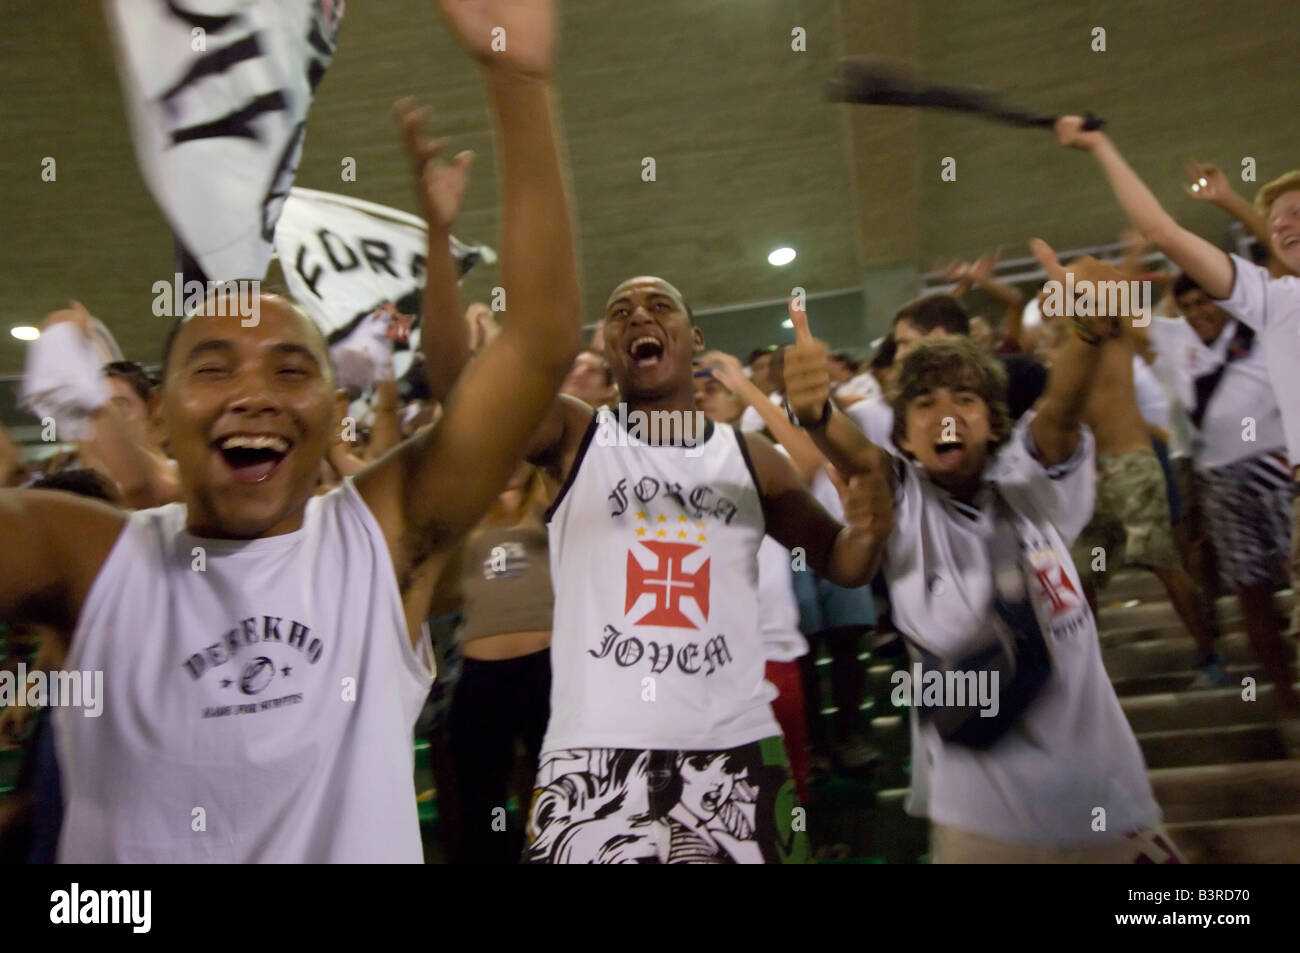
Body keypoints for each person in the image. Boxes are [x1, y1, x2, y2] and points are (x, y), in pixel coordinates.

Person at [0, 0, 581, 863]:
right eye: (213, 365)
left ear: (330, 414)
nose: (255, 392)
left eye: (290, 366)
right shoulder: (85, 555)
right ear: (158, 414)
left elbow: (534, 343)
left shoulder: (378, 541)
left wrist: (518, 81)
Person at [784, 242, 1177, 863]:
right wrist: (812, 415)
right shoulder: (904, 504)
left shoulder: (1031, 480)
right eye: (925, 404)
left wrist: (1084, 326)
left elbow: (1060, 410)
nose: (946, 417)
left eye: (965, 400)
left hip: (1105, 799)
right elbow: (858, 460)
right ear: (905, 436)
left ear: (994, 422)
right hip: (980, 827)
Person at [513, 278, 892, 864]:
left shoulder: (750, 457)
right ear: (608, 346)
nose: (639, 316)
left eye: (659, 306)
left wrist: (868, 529)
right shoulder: (574, 435)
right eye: (620, 313)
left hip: (738, 752)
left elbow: (844, 561)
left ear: (695, 338)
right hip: (592, 757)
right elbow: (486, 404)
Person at [1053, 116, 1300, 742]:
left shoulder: (1272, 308)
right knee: (1250, 591)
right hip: (1230, 477)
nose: (1286, 225)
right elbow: (1162, 233)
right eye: (1281, 219)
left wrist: (1232, 202)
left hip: (1271, 468)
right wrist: (1103, 147)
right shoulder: (1258, 311)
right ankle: (1281, 697)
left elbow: (1278, 256)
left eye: (1299, 213)